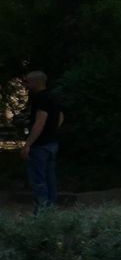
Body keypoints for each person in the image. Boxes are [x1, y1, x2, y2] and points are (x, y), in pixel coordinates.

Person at [22, 70, 62, 214]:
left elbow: (39, 122)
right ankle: (50, 210)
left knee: (38, 180)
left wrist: (28, 144)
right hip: (52, 143)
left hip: (40, 145)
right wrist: (53, 130)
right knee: (50, 178)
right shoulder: (53, 97)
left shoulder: (40, 99)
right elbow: (60, 116)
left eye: (27, 82)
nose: (25, 85)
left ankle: (42, 213)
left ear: (35, 82)